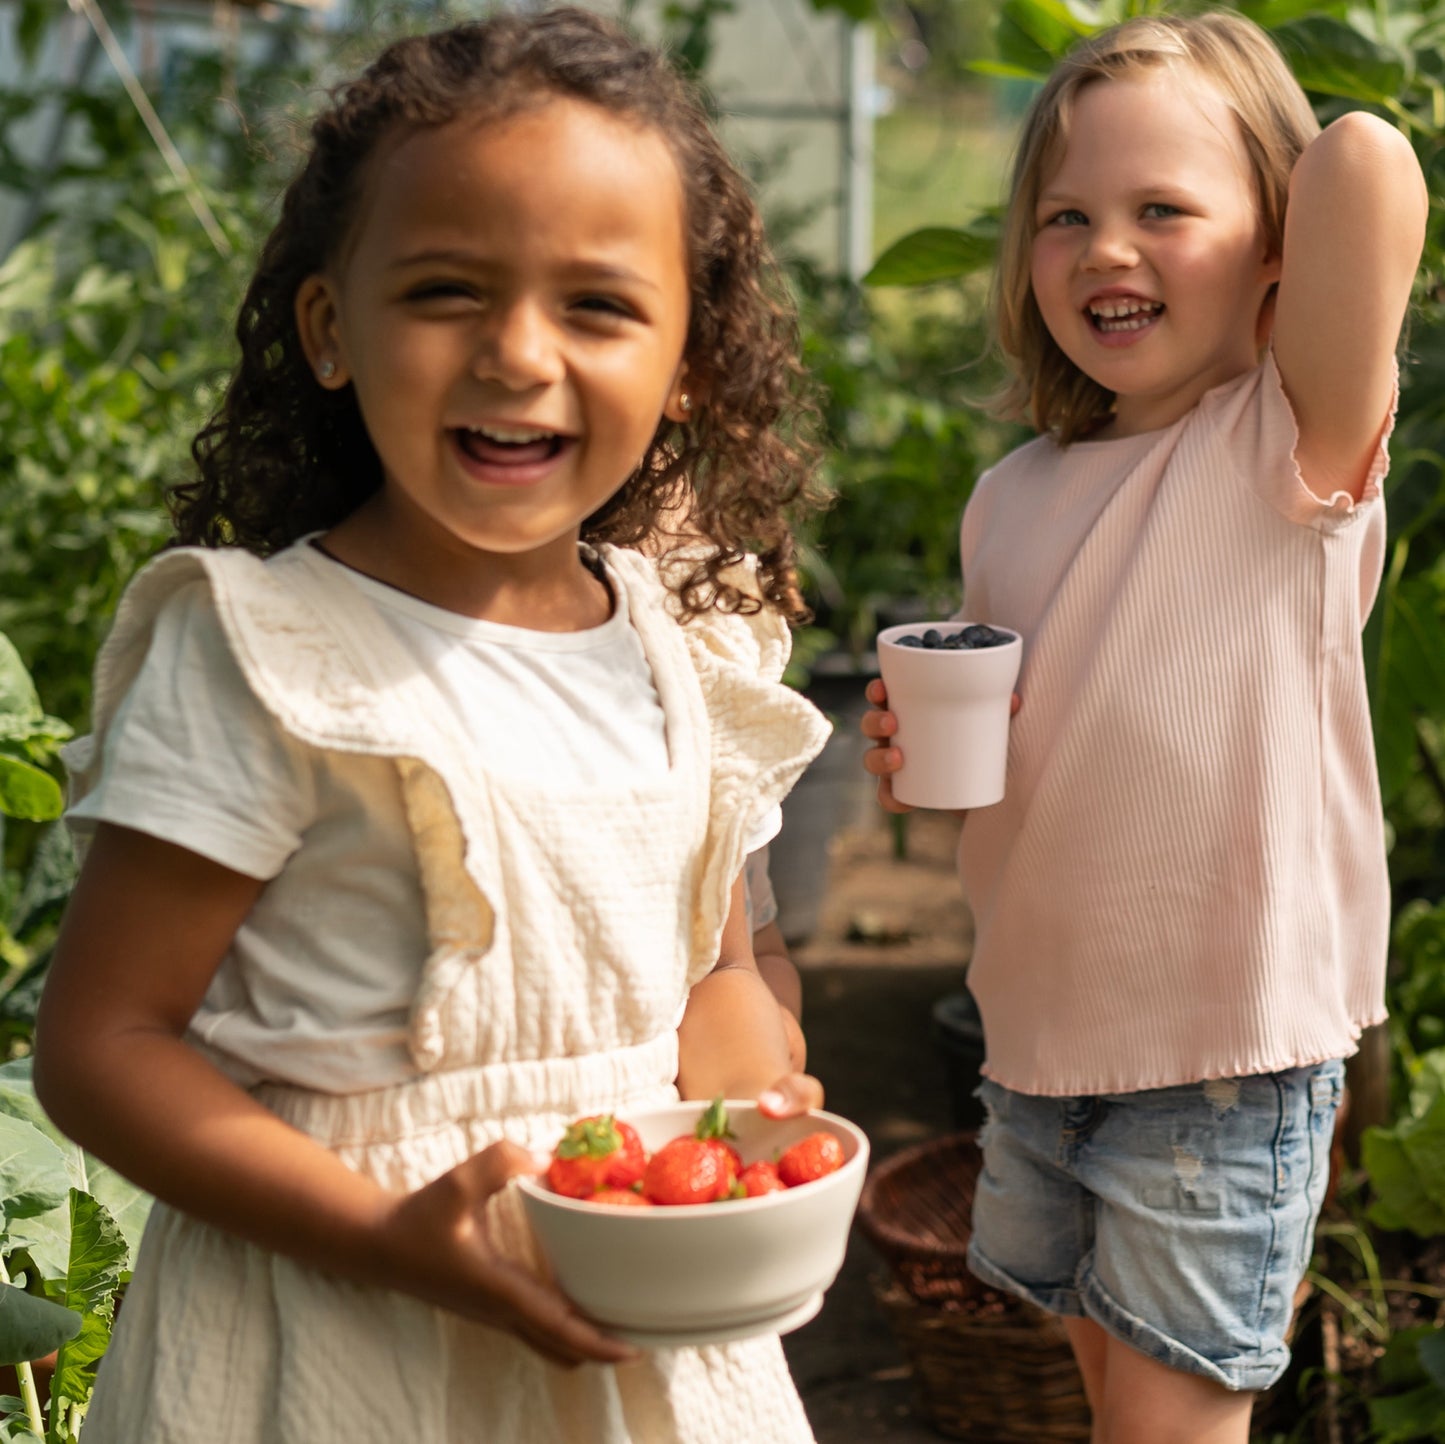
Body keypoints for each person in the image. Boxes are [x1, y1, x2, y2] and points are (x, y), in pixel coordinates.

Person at [33, 10, 834, 1441]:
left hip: (626, 1321)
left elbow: (710, 978)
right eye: (448, 291)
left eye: (596, 306)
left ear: (690, 363)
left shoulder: (674, 652)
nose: (519, 353)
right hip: (335, 1338)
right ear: (331, 330)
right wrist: (383, 1235)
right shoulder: (270, 656)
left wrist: (749, 1088)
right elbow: (103, 1045)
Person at [862, 14, 1425, 1444]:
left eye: (1161, 210)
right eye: (1066, 216)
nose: (1105, 248)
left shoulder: (1281, 451)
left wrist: (1239, 105)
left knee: (1167, 1427)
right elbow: (1032, 766)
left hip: (1215, 1053)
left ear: (1274, 246)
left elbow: (1366, 163)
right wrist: (916, 759)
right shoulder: (1013, 496)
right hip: (1040, 1042)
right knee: (1109, 1398)